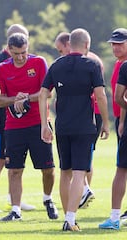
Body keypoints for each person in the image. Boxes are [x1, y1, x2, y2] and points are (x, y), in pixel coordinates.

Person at [40, 28, 109, 231]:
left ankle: (67, 218)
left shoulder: (56, 65)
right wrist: (105, 122)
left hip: (62, 126)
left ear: (70, 44)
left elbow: (43, 94)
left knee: (65, 172)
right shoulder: (92, 65)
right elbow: (101, 96)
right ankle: (70, 219)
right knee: (79, 173)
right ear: (87, 45)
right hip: (84, 126)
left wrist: (45, 124)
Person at [0, 32, 57, 222]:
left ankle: (48, 199)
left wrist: (26, 98)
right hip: (14, 126)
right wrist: (15, 99)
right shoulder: (2, 68)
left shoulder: (39, 63)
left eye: (24, 52)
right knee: (14, 169)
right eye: (16, 54)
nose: (21, 57)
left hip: (39, 123)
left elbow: (46, 93)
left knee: (47, 168)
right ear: (9, 51)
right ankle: (16, 210)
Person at [0, 23, 35, 212]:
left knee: (12, 162)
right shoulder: (2, 61)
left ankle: (13, 199)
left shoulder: (24, 61)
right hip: (1, 120)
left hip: (15, 120)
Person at [54, 31, 104, 209]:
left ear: (69, 44)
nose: (61, 54)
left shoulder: (90, 62)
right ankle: (82, 193)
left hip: (89, 116)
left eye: (61, 50)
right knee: (78, 165)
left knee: (80, 164)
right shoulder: (71, 64)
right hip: (81, 118)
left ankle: (83, 191)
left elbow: (99, 94)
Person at [98, 28, 127, 230]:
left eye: (120, 43)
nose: (116, 47)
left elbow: (119, 98)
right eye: (113, 44)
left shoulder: (125, 66)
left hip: (124, 120)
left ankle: (115, 218)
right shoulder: (119, 64)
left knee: (121, 168)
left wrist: (123, 121)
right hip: (121, 118)